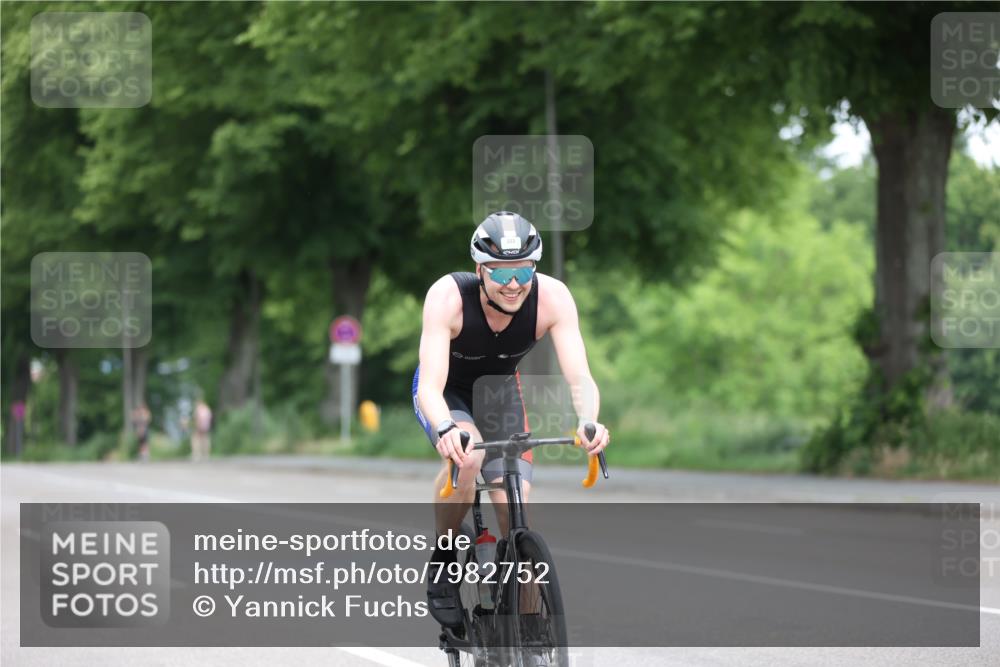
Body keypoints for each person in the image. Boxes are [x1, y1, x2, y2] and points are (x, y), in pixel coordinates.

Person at [412, 211, 610, 627]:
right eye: (501, 274)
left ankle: (527, 629)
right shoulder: (447, 297)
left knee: (513, 507)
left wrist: (588, 420)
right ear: (479, 270)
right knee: (465, 461)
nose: (514, 283)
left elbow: (580, 376)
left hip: (499, 393)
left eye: (523, 270)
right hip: (447, 392)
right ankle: (445, 555)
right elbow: (430, 386)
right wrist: (447, 428)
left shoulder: (552, 297)